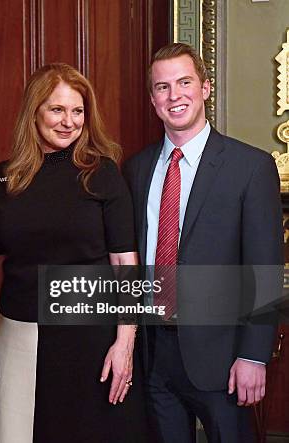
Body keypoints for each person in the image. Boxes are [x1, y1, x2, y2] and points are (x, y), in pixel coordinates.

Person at [123, 42, 282, 442]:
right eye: (162, 87)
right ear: (153, 99)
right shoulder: (137, 169)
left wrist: (253, 355)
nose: (174, 95)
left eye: (184, 82)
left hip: (223, 359)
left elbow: (264, 268)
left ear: (206, 87)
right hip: (153, 354)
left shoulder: (250, 167)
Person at [0, 63, 149, 442]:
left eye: (77, 111)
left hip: (89, 335)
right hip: (18, 332)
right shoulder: (1, 178)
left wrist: (125, 345)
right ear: (34, 111)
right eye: (57, 110)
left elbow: (125, 264)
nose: (68, 122)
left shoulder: (102, 173)